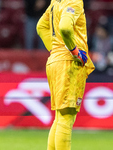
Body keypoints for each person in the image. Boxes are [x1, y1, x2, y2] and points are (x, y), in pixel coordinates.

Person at [36, 0, 95, 150]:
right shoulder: (74, 1)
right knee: (66, 118)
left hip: (55, 61)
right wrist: (74, 52)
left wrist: (56, 50)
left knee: (60, 117)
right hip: (68, 63)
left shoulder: (55, 2)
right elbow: (65, 27)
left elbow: (41, 27)